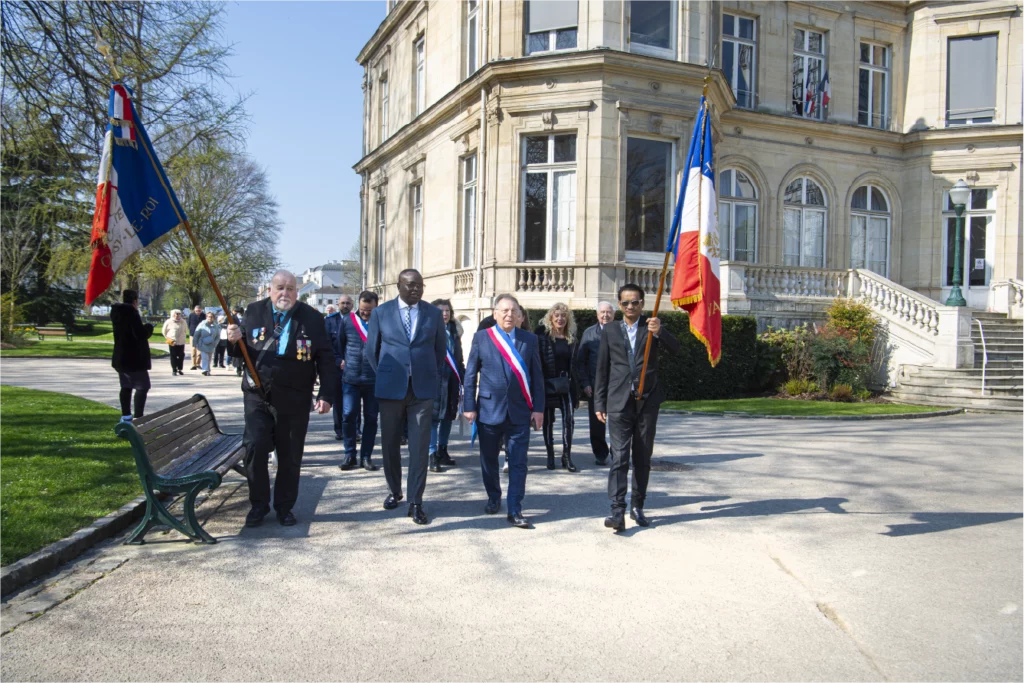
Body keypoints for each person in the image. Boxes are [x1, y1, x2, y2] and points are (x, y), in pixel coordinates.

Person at [226, 269, 335, 528]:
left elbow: (326, 359)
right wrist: (232, 340)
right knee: (254, 447)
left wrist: (327, 394)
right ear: (269, 290)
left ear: (297, 292)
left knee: (290, 454)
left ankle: (285, 507)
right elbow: (239, 352)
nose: (284, 293)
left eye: (290, 288)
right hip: (257, 396)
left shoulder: (312, 318)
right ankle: (258, 505)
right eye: (280, 288)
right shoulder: (253, 312)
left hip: (295, 398)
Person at [594, 284, 681, 532]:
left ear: (642, 303)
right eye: (625, 303)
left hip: (647, 401)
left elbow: (677, 350)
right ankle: (617, 511)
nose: (630, 306)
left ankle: (637, 506)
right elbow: (602, 369)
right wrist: (599, 402)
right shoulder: (610, 330)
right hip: (619, 402)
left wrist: (661, 332)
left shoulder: (651, 326)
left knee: (642, 456)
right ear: (619, 305)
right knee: (619, 457)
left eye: (635, 302)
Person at [363, 269, 447, 525]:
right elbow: (371, 351)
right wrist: (389, 375)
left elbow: (440, 351)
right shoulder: (381, 312)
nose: (416, 290)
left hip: (422, 391)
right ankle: (394, 491)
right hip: (390, 389)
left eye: (420, 286)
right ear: (398, 285)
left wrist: (427, 375)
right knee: (389, 444)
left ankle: (416, 501)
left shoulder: (433, 314)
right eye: (411, 285)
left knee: (420, 448)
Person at [463, 294, 545, 528]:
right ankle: (493, 496)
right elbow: (470, 375)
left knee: (519, 462)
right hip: (489, 410)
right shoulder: (482, 337)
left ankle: (515, 508)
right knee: (489, 459)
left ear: (520, 315)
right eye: (504, 310)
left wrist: (538, 409)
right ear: (495, 314)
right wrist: (469, 405)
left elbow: (537, 377)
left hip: (520, 411)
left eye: (514, 311)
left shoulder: (530, 340)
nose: (509, 315)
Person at [336, 290, 380, 472]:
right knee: (348, 415)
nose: (365, 313)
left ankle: (366, 456)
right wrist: (340, 361)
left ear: (376, 307)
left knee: (371, 418)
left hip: (373, 379)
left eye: (369, 310)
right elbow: (338, 346)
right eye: (363, 309)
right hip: (351, 378)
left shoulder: (382, 324)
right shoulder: (347, 321)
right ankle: (349, 454)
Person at [536, 303, 579, 472]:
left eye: (563, 316)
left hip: (565, 384)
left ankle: (566, 456)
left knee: (569, 420)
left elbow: (575, 364)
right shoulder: (543, 337)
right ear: (551, 318)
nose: (560, 319)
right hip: (547, 384)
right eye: (557, 316)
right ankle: (550, 455)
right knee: (547, 422)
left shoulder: (572, 338)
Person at [575, 301, 615, 465]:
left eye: (608, 312)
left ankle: (617, 452)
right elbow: (580, 362)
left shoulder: (621, 331)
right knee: (597, 422)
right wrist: (585, 384)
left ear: (613, 314)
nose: (605, 315)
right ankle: (600, 453)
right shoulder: (589, 333)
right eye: (602, 312)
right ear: (597, 315)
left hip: (617, 385)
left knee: (618, 421)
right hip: (595, 385)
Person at [428, 299, 464, 472]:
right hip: (434, 380)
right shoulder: (427, 330)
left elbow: (459, 359)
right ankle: (432, 454)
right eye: (441, 310)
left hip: (451, 381)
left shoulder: (455, 332)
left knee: (449, 416)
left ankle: (443, 449)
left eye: (448, 310)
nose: (445, 313)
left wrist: (464, 380)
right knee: (433, 419)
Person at [110, 289, 155, 423]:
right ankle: (138, 416)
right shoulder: (131, 312)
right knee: (143, 386)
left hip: (121, 356)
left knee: (126, 386)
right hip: (134, 357)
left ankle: (126, 415)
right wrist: (148, 327)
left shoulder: (117, 312)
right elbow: (139, 334)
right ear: (135, 300)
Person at [324, 303, 345, 441]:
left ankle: (355, 429)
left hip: (352, 365)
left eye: (348, 303)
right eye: (343, 303)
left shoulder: (356, 320)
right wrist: (338, 361)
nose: (346, 305)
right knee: (338, 400)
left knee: (352, 401)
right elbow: (327, 344)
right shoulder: (329, 321)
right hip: (336, 367)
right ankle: (340, 430)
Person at [193, 312, 221, 376]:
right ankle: (205, 370)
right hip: (203, 343)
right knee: (205, 357)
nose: (210, 318)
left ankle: (208, 369)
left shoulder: (216, 326)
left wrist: (215, 343)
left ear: (213, 318)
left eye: (211, 317)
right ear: (206, 317)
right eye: (208, 316)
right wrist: (195, 343)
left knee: (209, 358)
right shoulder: (202, 324)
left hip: (211, 344)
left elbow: (218, 336)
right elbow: (196, 334)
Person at [162, 309, 188, 376]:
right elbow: (164, 331)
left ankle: (180, 369)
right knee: (173, 356)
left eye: (179, 314)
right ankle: (174, 369)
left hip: (181, 341)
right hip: (172, 341)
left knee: (181, 355)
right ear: (173, 314)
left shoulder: (183, 322)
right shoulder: (169, 322)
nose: (177, 315)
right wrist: (168, 338)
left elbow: (185, 330)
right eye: (176, 314)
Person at [187, 304, 204, 370]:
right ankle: (193, 364)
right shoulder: (191, 315)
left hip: (201, 335)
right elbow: (188, 324)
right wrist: (191, 330)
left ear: (201, 310)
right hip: (193, 334)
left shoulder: (203, 315)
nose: (198, 312)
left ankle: (198, 364)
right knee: (193, 350)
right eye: (196, 311)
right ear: (194, 310)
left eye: (199, 311)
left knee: (200, 351)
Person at [231, 306, 246, 376]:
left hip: (245, 337)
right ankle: (238, 369)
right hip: (237, 338)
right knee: (237, 355)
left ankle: (242, 367)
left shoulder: (246, 317)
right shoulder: (232, 317)